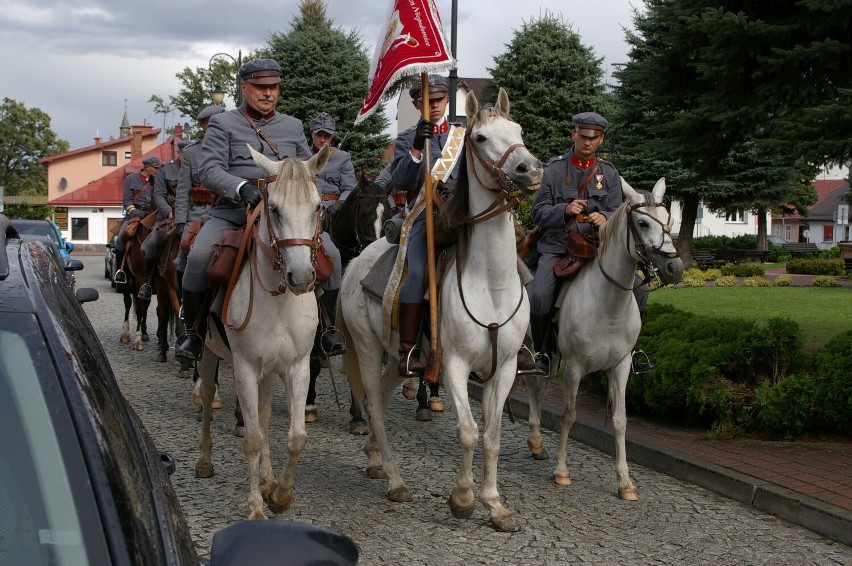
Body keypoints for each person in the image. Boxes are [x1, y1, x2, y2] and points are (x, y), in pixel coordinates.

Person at [175, 58, 344, 361]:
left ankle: (327, 330)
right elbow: (208, 169)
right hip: (233, 211)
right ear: (244, 87)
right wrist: (241, 188)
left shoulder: (291, 125)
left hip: (284, 216)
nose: (268, 93)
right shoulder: (223, 123)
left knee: (331, 254)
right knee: (199, 257)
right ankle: (194, 333)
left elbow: (307, 168)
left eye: (273, 87)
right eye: (260, 87)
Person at [528, 112, 652, 374]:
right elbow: (537, 212)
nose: (587, 142)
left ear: (600, 140)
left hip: (597, 248)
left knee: (640, 290)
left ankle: (630, 349)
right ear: (574, 134)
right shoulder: (555, 170)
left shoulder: (609, 173)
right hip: (559, 246)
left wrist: (605, 216)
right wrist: (564, 210)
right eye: (582, 136)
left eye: (593, 138)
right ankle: (542, 352)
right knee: (539, 295)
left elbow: (620, 212)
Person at [390, 74, 460, 378]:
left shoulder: (462, 137)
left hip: (460, 218)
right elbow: (401, 181)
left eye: (439, 100)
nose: (434, 106)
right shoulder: (407, 138)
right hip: (425, 218)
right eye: (427, 101)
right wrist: (417, 147)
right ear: (417, 103)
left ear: (446, 100)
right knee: (417, 272)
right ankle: (408, 350)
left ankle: (520, 342)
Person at [172, 105, 225, 288]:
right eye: (210, 123)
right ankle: (186, 307)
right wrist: (180, 221)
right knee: (185, 254)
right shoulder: (191, 153)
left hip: (229, 211)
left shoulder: (236, 147)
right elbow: (183, 190)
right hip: (197, 214)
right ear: (203, 125)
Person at [138, 142, 188, 300]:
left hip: (192, 215)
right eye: (184, 154)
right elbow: (158, 194)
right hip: (168, 216)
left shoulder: (200, 167)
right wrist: (168, 212)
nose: (187, 157)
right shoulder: (166, 169)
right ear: (178, 153)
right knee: (154, 241)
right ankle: (147, 282)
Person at [114, 156, 159, 284]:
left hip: (153, 216)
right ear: (147, 167)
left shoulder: (159, 180)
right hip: (134, 216)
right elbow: (127, 201)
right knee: (121, 239)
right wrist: (135, 212)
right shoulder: (131, 179)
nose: (157, 170)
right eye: (155, 168)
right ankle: (120, 271)